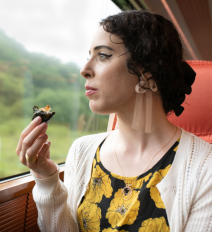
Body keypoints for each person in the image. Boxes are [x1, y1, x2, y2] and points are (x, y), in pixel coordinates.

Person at [16, 10, 212, 232]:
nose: (84, 70)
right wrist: (46, 178)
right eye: (88, 56)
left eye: (102, 56)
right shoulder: (82, 151)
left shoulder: (206, 170)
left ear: (146, 71)